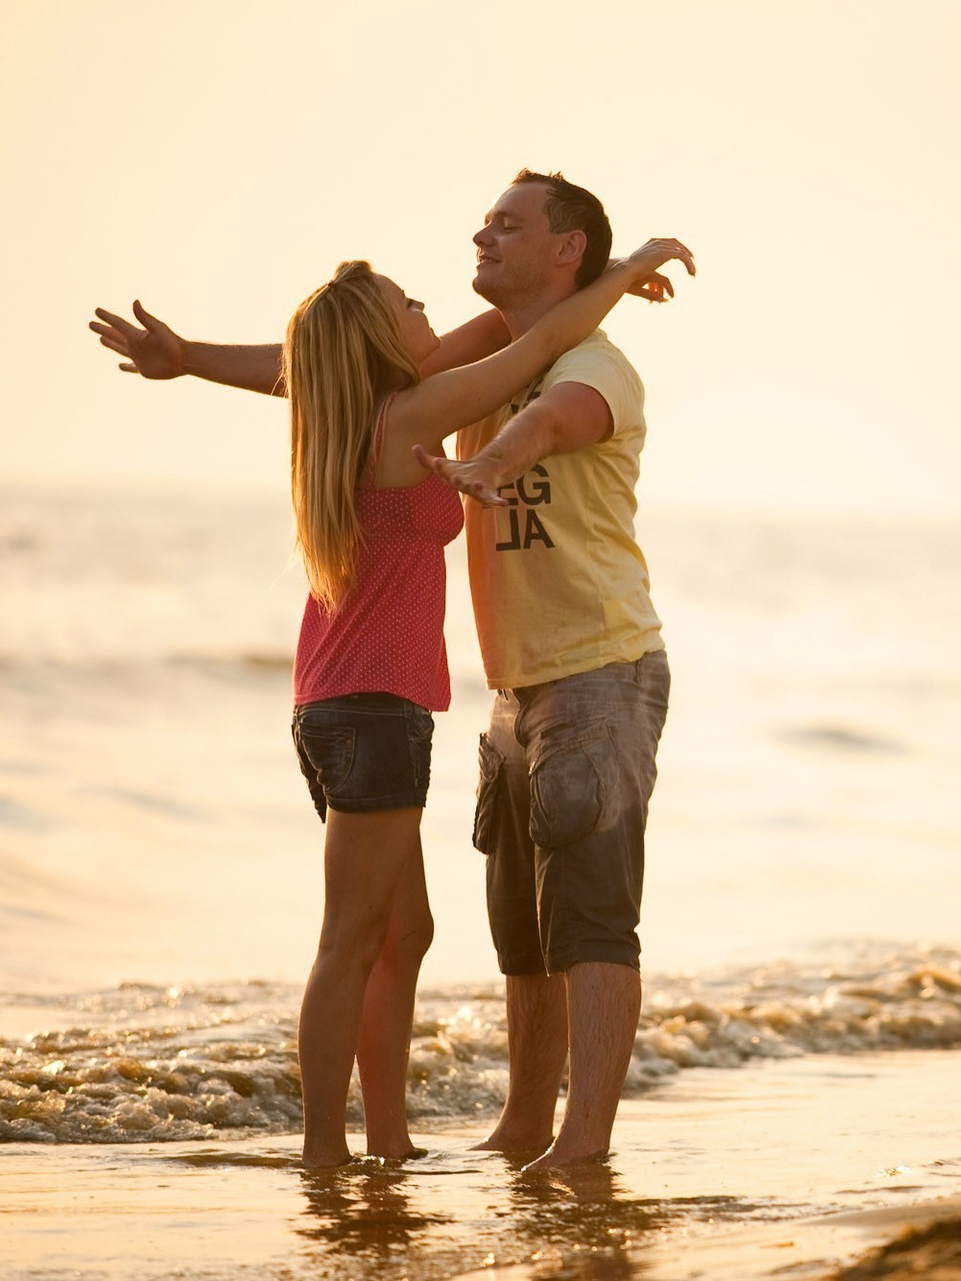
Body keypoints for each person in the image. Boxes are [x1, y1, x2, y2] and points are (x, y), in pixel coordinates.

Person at [89, 171, 690, 1173]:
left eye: (506, 225)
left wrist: (189, 359)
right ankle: (341, 1149)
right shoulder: (416, 405)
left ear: (564, 248)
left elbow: (535, 390)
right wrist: (625, 274)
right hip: (396, 704)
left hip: (434, 688)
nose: (473, 246)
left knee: (420, 931)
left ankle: (419, 1143)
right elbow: (508, 359)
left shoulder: (449, 386)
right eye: (409, 307)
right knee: (386, 935)